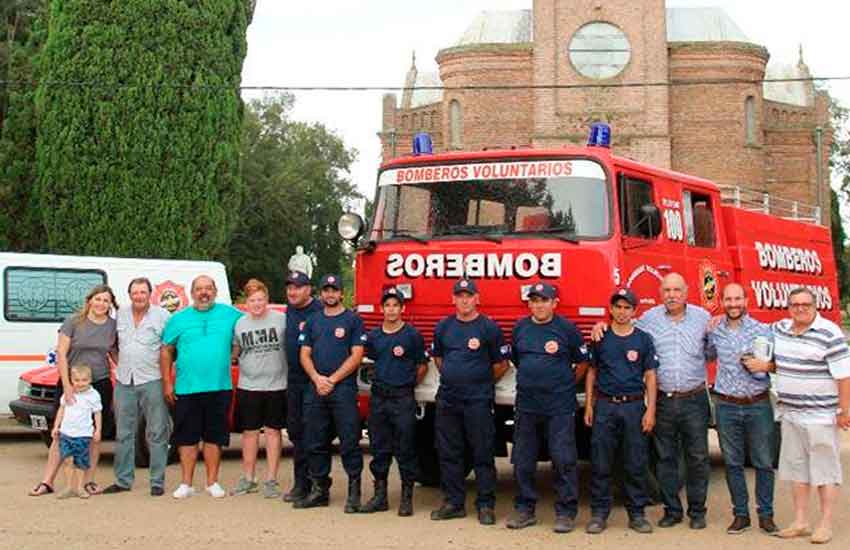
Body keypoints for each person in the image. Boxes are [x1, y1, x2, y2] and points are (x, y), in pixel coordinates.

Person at [591, 272, 711, 529]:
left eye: (677, 290)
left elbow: (716, 340)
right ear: (660, 293)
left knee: (698, 457)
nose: (672, 295)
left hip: (694, 398)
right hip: (664, 399)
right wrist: (600, 325)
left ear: (686, 292)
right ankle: (672, 511)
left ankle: (697, 512)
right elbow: (622, 327)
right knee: (666, 457)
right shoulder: (649, 319)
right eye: (667, 290)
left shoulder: (703, 318)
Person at [756, 287, 850, 544]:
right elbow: (754, 328)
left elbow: (844, 376)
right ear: (788, 307)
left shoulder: (829, 333)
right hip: (791, 415)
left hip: (821, 416)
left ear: (815, 305)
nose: (800, 308)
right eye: (795, 304)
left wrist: (844, 410)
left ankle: (825, 524)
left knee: (825, 471)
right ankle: (800, 521)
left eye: (806, 304)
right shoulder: (781, 329)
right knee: (797, 470)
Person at [505, 282, 591, 534]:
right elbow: (518, 360)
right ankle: (524, 509)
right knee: (523, 459)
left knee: (563, 459)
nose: (538, 305)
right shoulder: (521, 327)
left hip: (559, 405)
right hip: (527, 405)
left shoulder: (566, 329)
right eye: (534, 300)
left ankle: (566, 512)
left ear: (554, 303)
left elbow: (582, 362)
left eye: (543, 300)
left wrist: (564, 383)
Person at [430, 278, 510, 526]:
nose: (464, 300)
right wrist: (456, 377)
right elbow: (439, 359)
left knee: (482, 452)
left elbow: (501, 364)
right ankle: (454, 503)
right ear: (453, 299)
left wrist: (480, 382)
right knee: (449, 452)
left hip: (478, 399)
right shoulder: (443, 326)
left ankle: (485, 505)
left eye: (469, 295)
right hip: (449, 399)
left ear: (477, 298)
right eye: (460, 295)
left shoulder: (489, 328)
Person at [29, 284, 118, 497]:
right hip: (72, 385)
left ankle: (88, 481)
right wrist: (67, 386)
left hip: (99, 384)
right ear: (89, 301)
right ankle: (47, 481)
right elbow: (61, 353)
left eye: (106, 300)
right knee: (61, 434)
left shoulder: (113, 326)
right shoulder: (73, 322)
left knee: (93, 436)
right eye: (98, 299)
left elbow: (114, 353)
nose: (101, 304)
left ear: (110, 304)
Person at [161, 275, 244, 499]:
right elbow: (166, 350)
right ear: (192, 293)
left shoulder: (231, 314)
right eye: (199, 289)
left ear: (215, 291)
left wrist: (236, 352)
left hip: (219, 387)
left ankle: (212, 482)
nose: (204, 293)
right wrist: (167, 382)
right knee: (186, 437)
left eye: (208, 288)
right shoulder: (178, 319)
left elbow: (252, 325)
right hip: (187, 388)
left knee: (214, 437)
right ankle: (186, 484)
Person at [705, 283, 778, 534]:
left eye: (738, 299)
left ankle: (766, 515)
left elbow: (780, 363)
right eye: (728, 299)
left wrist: (765, 367)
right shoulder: (715, 331)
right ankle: (741, 515)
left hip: (757, 404)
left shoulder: (763, 330)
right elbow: (705, 355)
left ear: (746, 300)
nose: (733, 304)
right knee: (733, 463)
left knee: (763, 462)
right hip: (725, 404)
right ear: (722, 302)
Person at [584, 288, 657, 534]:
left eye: (627, 307)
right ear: (611, 309)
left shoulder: (643, 339)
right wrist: (590, 405)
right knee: (601, 462)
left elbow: (650, 375)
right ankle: (599, 514)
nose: (622, 311)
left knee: (635, 462)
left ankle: (637, 514)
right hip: (605, 406)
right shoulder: (600, 337)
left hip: (634, 406)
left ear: (634, 311)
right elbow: (592, 372)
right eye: (618, 306)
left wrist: (651, 410)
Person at [294, 274, 366, 512]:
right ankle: (319, 490)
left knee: (349, 441)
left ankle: (354, 492)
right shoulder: (313, 321)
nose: (330, 294)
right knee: (314, 441)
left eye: (334, 290)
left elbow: (356, 355)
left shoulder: (353, 320)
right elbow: (304, 353)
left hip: (342, 388)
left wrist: (333, 379)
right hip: (316, 387)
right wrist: (316, 378)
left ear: (341, 293)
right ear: (321, 294)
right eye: (326, 290)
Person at [360, 287, 428, 516]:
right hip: (379, 397)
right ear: (382, 309)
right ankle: (380, 496)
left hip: (402, 398)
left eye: (395, 305)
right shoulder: (374, 336)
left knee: (406, 448)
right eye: (387, 305)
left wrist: (408, 384)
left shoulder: (412, 335)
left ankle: (407, 498)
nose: (391, 309)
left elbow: (422, 365)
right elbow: (366, 358)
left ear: (402, 308)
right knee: (379, 448)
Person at [102, 277, 172, 497]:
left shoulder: (163, 316)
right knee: (124, 432)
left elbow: (169, 348)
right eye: (135, 292)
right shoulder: (120, 314)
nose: (139, 296)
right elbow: (112, 345)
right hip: (124, 381)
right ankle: (123, 480)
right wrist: (119, 364)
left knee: (157, 431)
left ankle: (157, 482)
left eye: (143, 292)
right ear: (129, 294)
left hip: (152, 379)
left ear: (150, 294)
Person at [230, 278, 288, 498]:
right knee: (249, 433)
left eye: (261, 299)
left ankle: (271, 480)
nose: (257, 304)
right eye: (253, 300)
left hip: (277, 385)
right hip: (249, 385)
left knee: (273, 432)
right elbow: (236, 352)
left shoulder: (281, 319)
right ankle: (248, 478)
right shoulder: (240, 324)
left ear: (267, 299)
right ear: (246, 302)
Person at [282, 270, 324, 503]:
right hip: (294, 381)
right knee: (296, 433)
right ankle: (300, 483)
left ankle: (317, 484)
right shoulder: (288, 311)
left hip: (315, 380)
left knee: (314, 433)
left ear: (308, 289)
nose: (292, 292)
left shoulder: (319, 311)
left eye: (297, 287)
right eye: (289, 288)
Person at [51, 364, 103, 499]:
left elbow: (97, 413)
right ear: (71, 380)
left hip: (83, 434)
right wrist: (56, 426)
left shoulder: (94, 395)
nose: (80, 384)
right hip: (66, 433)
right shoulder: (68, 393)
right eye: (77, 380)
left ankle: (80, 487)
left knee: (80, 462)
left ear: (90, 380)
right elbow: (61, 410)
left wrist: (98, 430)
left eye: (84, 380)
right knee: (67, 460)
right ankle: (69, 486)